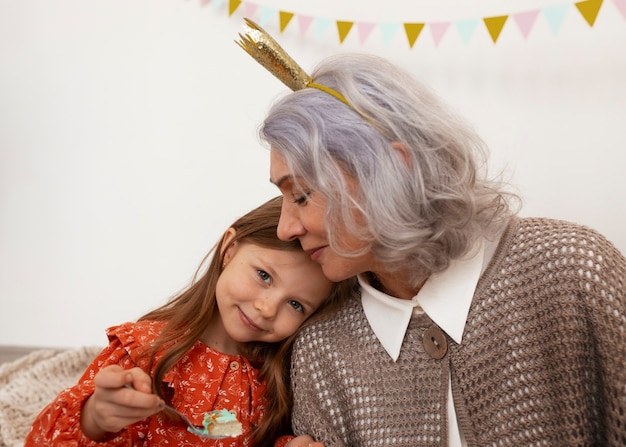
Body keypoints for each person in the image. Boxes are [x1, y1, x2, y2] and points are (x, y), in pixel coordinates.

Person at [238, 22, 626, 447]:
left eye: (302, 194)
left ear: (392, 171)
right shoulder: (322, 353)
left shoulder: (572, 271)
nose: (285, 228)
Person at [24, 196, 354, 447]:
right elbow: (41, 439)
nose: (268, 308)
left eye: (295, 304)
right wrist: (95, 417)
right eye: (264, 276)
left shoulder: (278, 378)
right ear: (229, 249)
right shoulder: (144, 353)